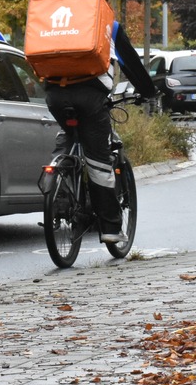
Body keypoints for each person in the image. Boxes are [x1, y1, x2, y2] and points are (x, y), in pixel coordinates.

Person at [43, 21, 156, 244]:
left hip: (54, 95)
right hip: (90, 98)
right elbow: (130, 62)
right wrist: (148, 91)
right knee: (99, 161)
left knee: (71, 134)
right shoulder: (109, 26)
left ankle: (59, 184)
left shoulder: (57, 24)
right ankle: (111, 228)